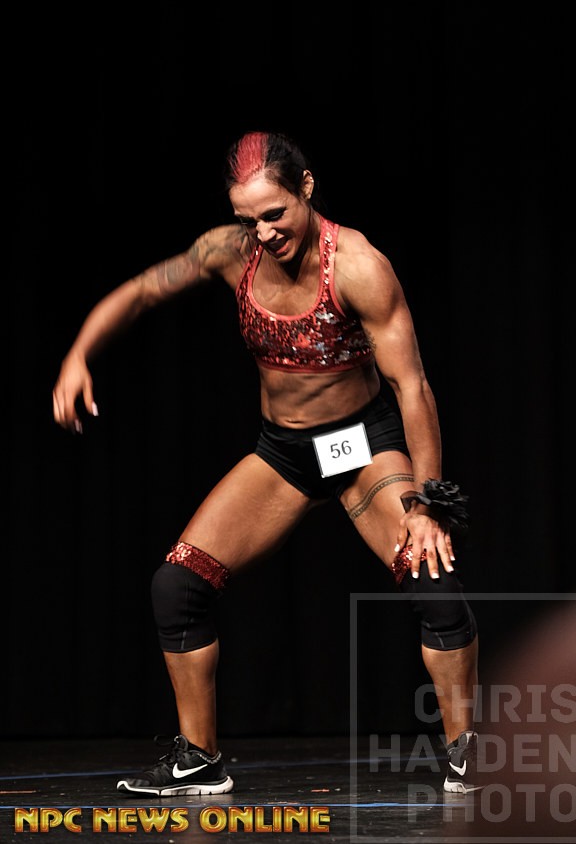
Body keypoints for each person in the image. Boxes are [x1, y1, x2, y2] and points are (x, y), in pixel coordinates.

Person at [52, 130, 480, 797]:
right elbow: (140, 292)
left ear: (306, 188)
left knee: (434, 580)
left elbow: (413, 388)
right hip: (286, 453)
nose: (263, 232)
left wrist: (426, 505)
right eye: (248, 218)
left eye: (275, 214)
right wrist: (79, 353)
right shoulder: (230, 252)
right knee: (176, 587)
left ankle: (468, 754)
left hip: (361, 447)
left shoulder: (359, 266)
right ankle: (200, 758)